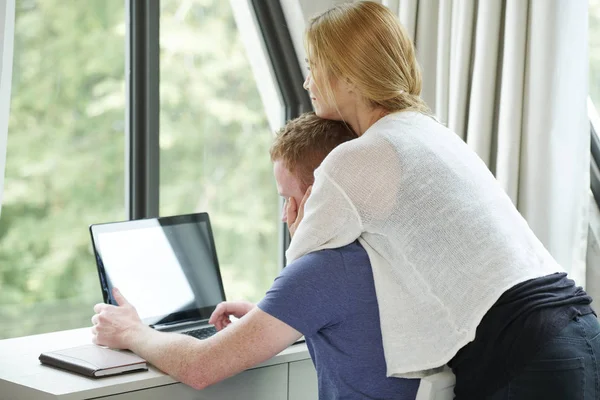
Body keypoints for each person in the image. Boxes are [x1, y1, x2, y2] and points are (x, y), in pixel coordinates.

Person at [284, 2, 600, 400]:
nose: (306, 83)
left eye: (313, 66)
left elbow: (299, 288)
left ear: (348, 75)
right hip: (578, 330)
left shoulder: (356, 157)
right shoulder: (430, 133)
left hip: (522, 355)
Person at [91, 112, 421, 399]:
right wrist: (270, 317)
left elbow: (200, 367)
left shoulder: (324, 267)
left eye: (287, 197)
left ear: (319, 196)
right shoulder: (393, 246)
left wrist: (129, 331)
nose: (284, 215)